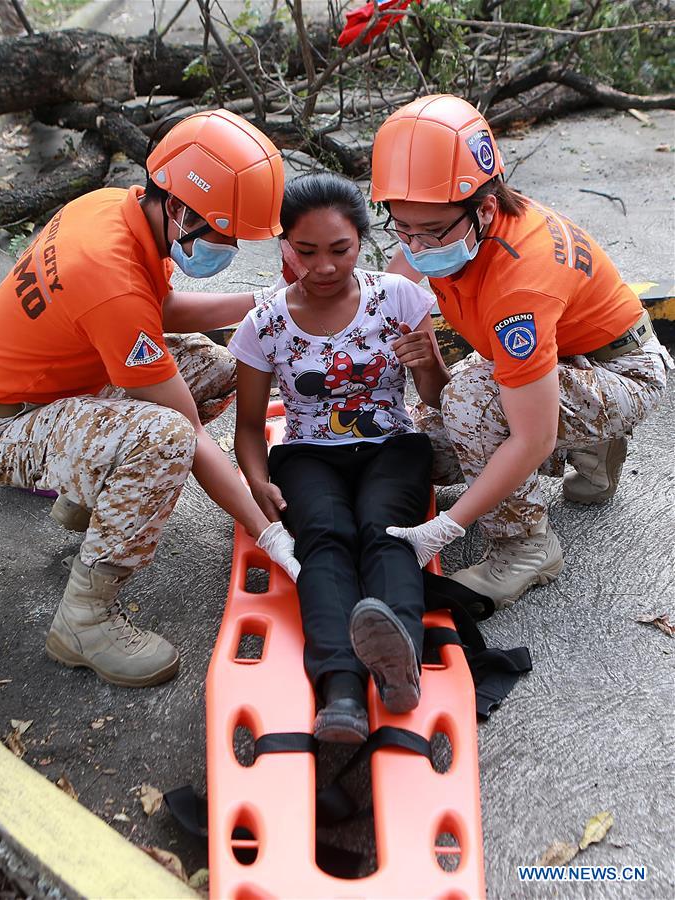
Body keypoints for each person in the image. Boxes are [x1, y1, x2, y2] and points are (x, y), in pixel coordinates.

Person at [0, 110, 299, 689]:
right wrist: (270, 533)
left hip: (64, 392)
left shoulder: (118, 208)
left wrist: (263, 302)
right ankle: (83, 621)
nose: (233, 248)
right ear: (184, 211)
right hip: (5, 427)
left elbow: (154, 309)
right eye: (226, 234)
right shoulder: (107, 274)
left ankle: (90, 492)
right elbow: (187, 434)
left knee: (213, 367)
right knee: (165, 438)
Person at [371, 94, 673, 608]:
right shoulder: (458, 224)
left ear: (485, 206)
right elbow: (384, 289)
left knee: (472, 400)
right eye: (402, 229)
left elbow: (532, 439)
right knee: (430, 455)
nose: (415, 248)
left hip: (622, 371)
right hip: (566, 359)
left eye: (429, 233)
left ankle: (527, 547)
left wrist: (445, 528)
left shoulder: (519, 287)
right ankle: (591, 449)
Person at [230, 172, 450, 743]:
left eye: (340, 249)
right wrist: (257, 482)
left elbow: (432, 397)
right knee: (325, 536)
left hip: (390, 446)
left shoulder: (399, 296)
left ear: (362, 241)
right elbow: (250, 428)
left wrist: (427, 361)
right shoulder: (265, 324)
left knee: (387, 530)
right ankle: (342, 690)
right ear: (284, 246)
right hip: (306, 453)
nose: (324, 266)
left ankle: (398, 665)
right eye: (305, 251)